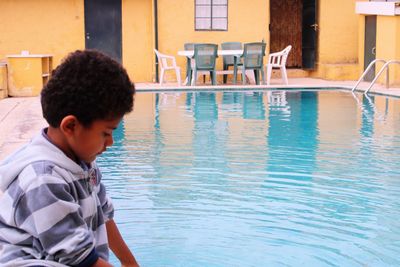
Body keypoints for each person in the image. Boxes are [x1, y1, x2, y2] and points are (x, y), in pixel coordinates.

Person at [0, 50, 139, 267]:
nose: (110, 142)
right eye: (106, 133)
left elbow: (104, 215)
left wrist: (130, 263)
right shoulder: (42, 178)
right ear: (71, 126)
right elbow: (80, 258)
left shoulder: (85, 163)